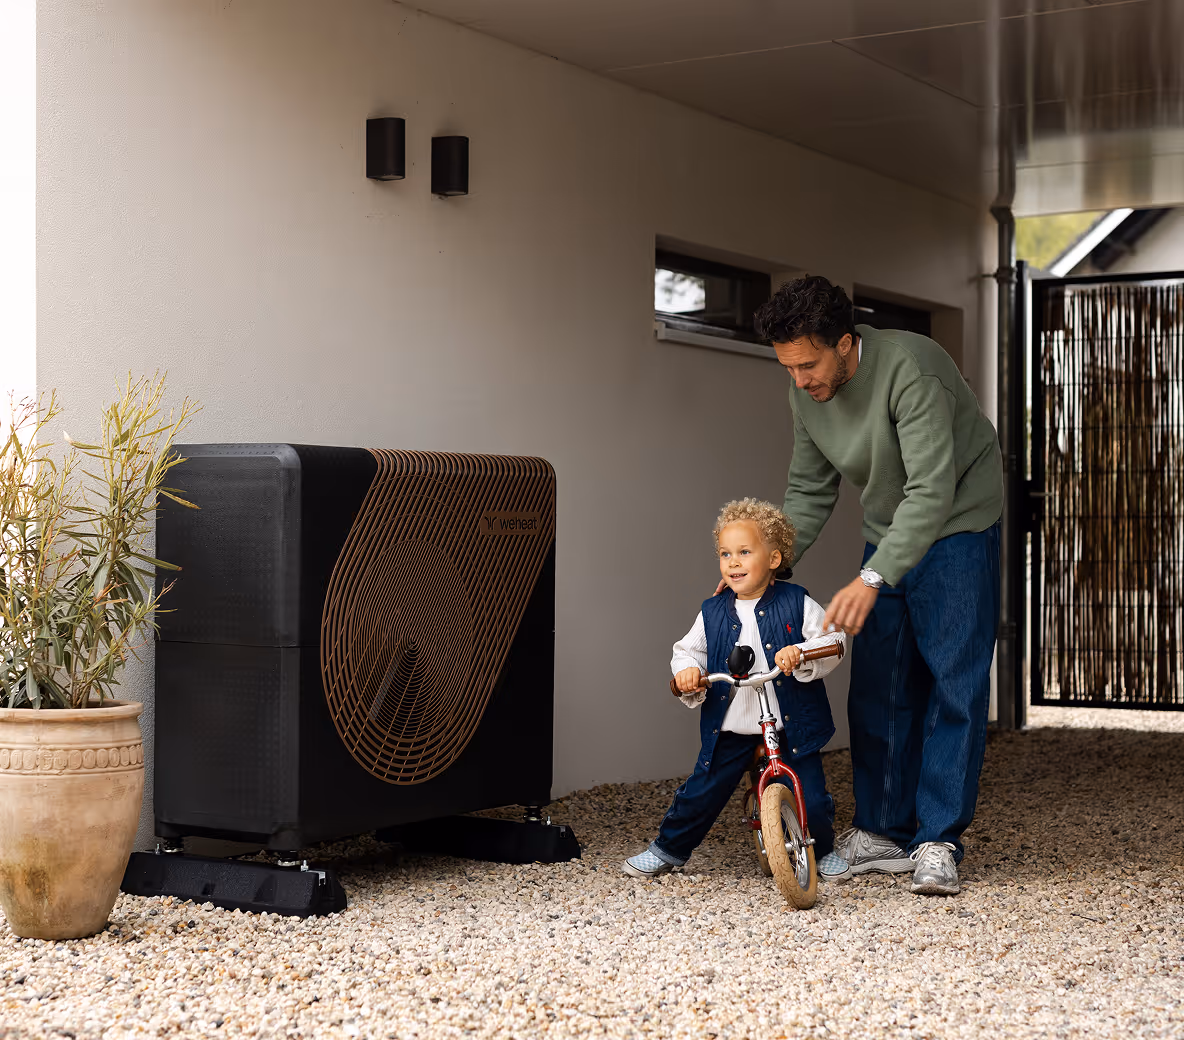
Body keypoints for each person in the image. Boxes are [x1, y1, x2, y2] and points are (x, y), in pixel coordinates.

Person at [752, 276, 1002, 896]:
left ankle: (937, 838)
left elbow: (932, 489)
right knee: (879, 685)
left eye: (808, 364)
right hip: (891, 525)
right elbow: (809, 492)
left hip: (959, 520)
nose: (800, 380)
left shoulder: (911, 369)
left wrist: (872, 576)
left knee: (953, 682)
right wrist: (769, 564)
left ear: (844, 343)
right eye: (788, 368)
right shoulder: (805, 392)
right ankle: (883, 832)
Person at [622, 499, 847, 880]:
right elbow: (687, 651)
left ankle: (821, 850)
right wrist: (689, 673)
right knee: (703, 789)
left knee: (810, 790)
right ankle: (669, 849)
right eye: (726, 554)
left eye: (745, 552)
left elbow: (834, 639)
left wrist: (802, 651)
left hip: (789, 721)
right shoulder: (713, 610)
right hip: (734, 722)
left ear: (774, 559)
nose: (734, 562)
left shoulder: (796, 602)